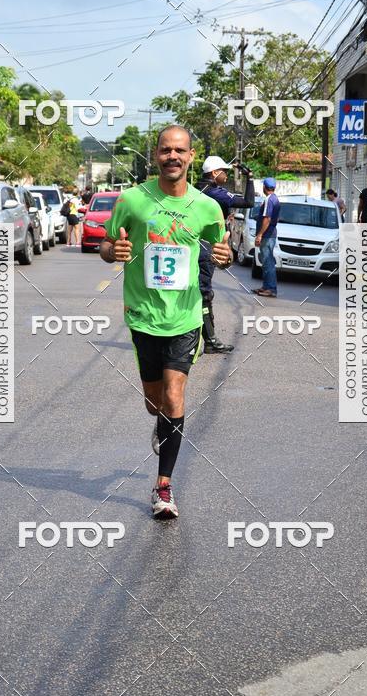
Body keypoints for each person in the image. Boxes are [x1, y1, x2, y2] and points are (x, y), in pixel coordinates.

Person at [100, 125, 231, 519]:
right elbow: (107, 245)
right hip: (143, 316)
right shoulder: (133, 200)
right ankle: (162, 425)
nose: (172, 156)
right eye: (165, 150)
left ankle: (163, 488)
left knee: (175, 397)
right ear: (155, 155)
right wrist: (114, 251)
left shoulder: (208, 207)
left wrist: (226, 257)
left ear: (191, 156)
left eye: (180, 151)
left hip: (185, 316)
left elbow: (222, 249)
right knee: (153, 402)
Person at [197, 155, 256, 354]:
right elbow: (248, 202)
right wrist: (250, 177)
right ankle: (210, 341)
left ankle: (202, 337)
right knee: (204, 293)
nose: (226, 175)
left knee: (194, 290)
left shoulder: (194, 188)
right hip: (206, 247)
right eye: (225, 172)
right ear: (215, 173)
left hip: (193, 244)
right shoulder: (215, 192)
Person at [252, 178, 280, 298]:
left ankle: (271, 288)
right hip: (269, 234)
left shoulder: (269, 200)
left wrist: (260, 234)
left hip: (267, 235)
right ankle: (266, 286)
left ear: (264, 187)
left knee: (268, 262)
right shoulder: (275, 199)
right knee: (266, 261)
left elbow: (267, 219)